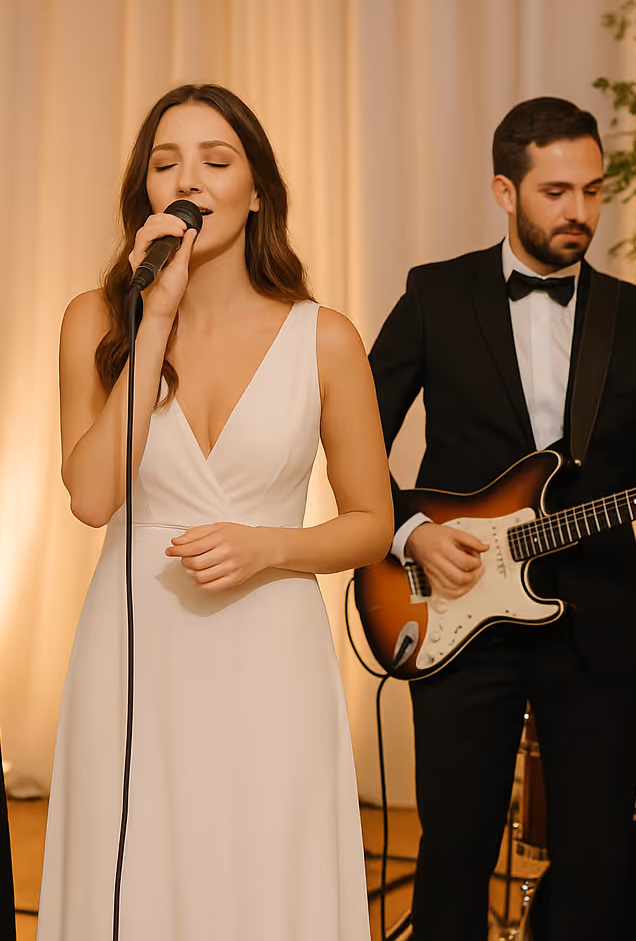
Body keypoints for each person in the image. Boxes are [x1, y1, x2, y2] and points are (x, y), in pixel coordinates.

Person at [41, 83, 393, 940]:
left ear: (257, 189)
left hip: (269, 646)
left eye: (214, 159)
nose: (187, 179)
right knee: (138, 866)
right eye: (166, 163)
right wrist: (152, 318)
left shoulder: (327, 337)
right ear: (146, 194)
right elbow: (92, 498)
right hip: (135, 644)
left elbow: (372, 523)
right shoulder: (95, 320)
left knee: (261, 867)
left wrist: (268, 548)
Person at [367, 96, 636, 939]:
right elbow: (350, 441)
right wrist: (410, 532)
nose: (581, 213)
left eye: (594, 192)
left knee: (597, 860)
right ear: (504, 190)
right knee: (454, 852)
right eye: (557, 192)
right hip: (452, 607)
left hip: (598, 618)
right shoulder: (435, 294)